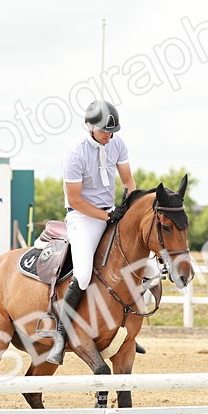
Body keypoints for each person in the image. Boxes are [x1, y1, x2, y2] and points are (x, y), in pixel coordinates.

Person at [51, 99, 136, 364]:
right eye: (104, 132)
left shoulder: (117, 144)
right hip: (83, 217)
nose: (109, 136)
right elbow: (75, 200)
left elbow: (128, 181)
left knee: (141, 267)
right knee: (85, 274)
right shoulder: (75, 152)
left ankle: (128, 331)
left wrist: (126, 207)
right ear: (90, 127)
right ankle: (61, 334)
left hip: (111, 211)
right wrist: (106, 215)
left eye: (112, 131)